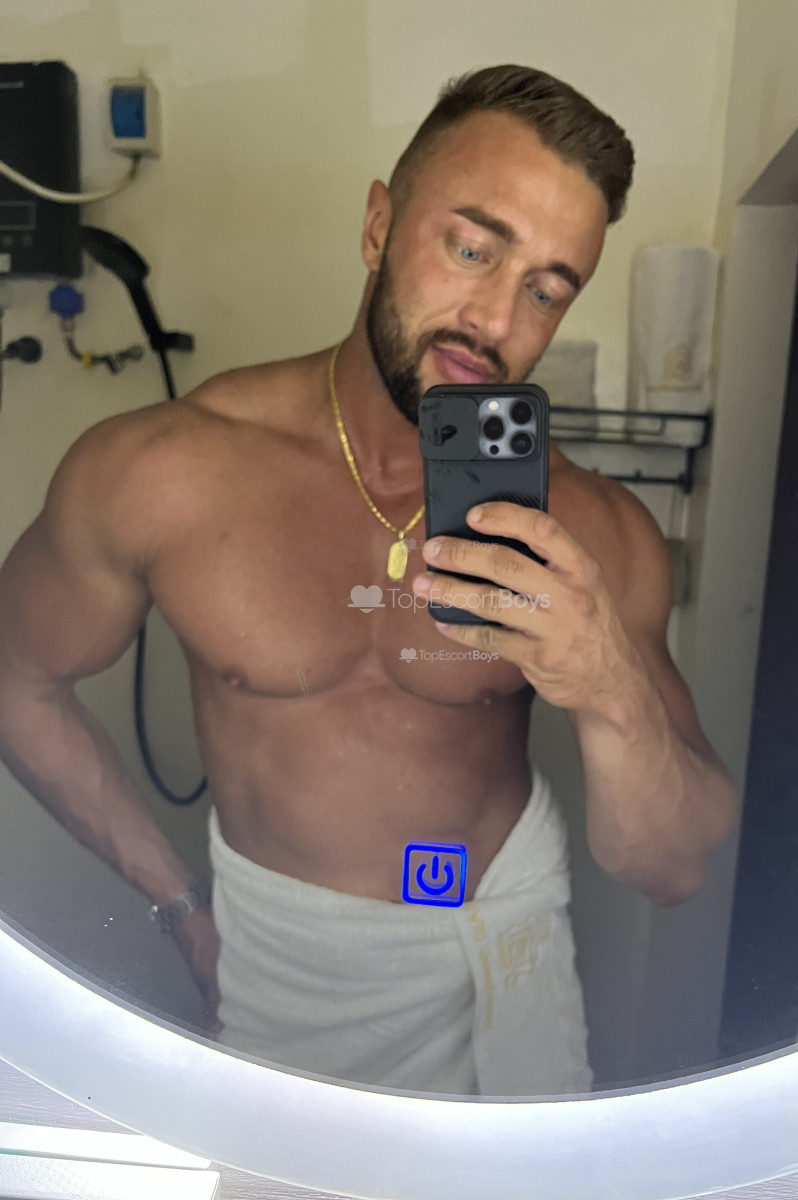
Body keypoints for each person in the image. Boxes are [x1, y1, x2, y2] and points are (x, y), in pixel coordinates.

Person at [0, 65, 735, 1095]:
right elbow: (15, 676)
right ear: (379, 226)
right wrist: (179, 907)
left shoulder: (593, 533)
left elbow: (675, 865)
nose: (495, 320)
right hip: (279, 970)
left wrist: (607, 681)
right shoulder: (162, 473)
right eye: (472, 248)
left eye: (545, 289)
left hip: (500, 961)